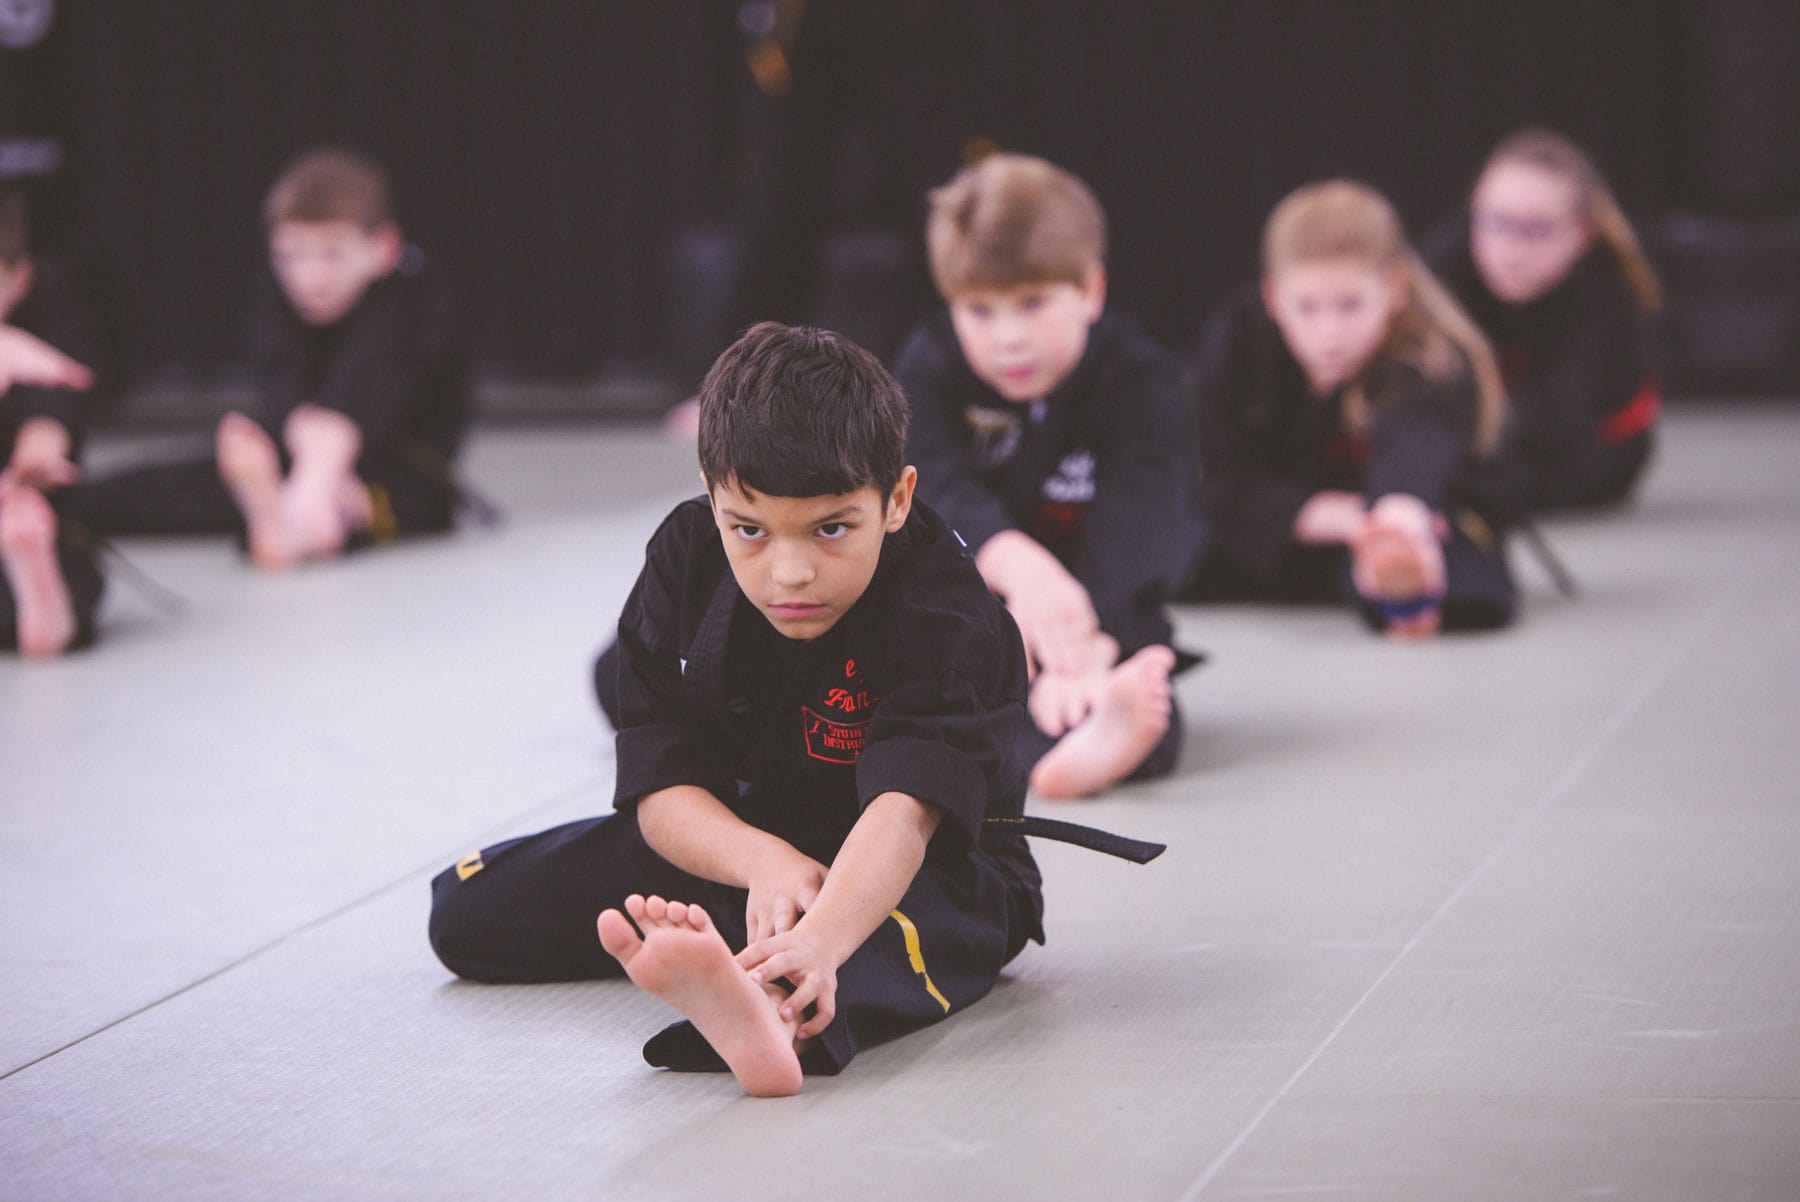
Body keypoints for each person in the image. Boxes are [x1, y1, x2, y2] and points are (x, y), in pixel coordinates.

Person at [431, 323, 1046, 1098]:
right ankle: (748, 955)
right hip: (752, 851)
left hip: (927, 865)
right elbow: (663, 792)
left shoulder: (945, 608)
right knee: (465, 914)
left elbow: (903, 817)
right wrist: (765, 863)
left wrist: (820, 939)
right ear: (710, 490)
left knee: (891, 940)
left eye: (831, 528)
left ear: (896, 499)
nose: (790, 571)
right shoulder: (683, 558)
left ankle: (774, 1006)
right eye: (748, 529)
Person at [894, 153, 1192, 800]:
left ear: (1091, 290)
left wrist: (1082, 642)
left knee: (1141, 676)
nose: (1008, 339)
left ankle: (1101, 729)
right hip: (977, 595)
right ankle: (1054, 735)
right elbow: (928, 483)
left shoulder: (1138, 378)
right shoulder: (930, 364)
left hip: (1098, 603)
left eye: (1032, 303)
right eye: (980, 310)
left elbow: (1144, 518)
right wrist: (1020, 575)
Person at [57, 147, 469, 567]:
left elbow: (363, 395)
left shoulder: (413, 299)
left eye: (332, 254)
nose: (309, 277)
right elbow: (285, 397)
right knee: (163, 490)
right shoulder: (271, 294)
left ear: (383, 248)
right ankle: (296, 513)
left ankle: (303, 515)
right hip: (288, 457)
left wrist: (319, 476)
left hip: (398, 475)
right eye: (291, 256)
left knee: (384, 505)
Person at [1189, 179, 1515, 637]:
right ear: (1273, 298)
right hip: (1285, 522)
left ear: (1395, 289)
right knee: (1168, 552)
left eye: (1349, 305)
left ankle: (1397, 580)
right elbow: (1215, 472)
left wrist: (1395, 525)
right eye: (1307, 308)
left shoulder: (1431, 356)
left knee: (1465, 580)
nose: (1329, 333)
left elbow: (1415, 450)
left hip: (1411, 515)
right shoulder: (1240, 336)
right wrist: (1329, 518)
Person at [1431, 128, 1663, 511]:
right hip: (1491, 431)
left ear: (1582, 233)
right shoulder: (1444, 266)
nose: (1511, 249)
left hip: (1591, 452)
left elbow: (1555, 419)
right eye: (1495, 222)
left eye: (1536, 230)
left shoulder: (1605, 291)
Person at [0, 182, 104, 657]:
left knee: (71, 564)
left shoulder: (36, 346)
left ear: (19, 280)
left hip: (20, 511)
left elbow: (51, 410)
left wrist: (36, 462)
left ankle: (45, 602)